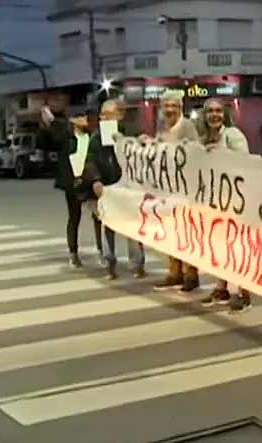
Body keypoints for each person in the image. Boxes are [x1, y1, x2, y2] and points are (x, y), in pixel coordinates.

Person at [197, 98, 252, 313]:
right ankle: (221, 288)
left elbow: (246, 163)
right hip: (213, 201)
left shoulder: (233, 135)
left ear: (225, 114)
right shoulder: (203, 139)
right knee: (219, 246)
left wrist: (220, 154)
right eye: (210, 111)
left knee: (237, 246)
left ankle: (244, 293)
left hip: (235, 201)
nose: (214, 115)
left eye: (218, 111)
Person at [151, 90, 201, 293]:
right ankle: (174, 272)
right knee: (170, 230)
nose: (169, 110)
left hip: (185, 188)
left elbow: (196, 151)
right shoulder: (162, 126)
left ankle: (191, 273)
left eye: (173, 106)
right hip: (167, 187)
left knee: (186, 231)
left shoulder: (187, 126)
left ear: (180, 108)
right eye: (166, 106)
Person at [90, 99, 146, 280]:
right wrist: (96, 180)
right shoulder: (96, 138)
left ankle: (137, 264)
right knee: (107, 225)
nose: (104, 118)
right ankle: (109, 264)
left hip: (128, 188)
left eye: (109, 115)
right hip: (107, 188)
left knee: (132, 226)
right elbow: (90, 161)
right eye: (102, 115)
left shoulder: (130, 133)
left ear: (120, 116)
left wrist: (140, 143)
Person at [53, 108, 103, 268]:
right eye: (80, 117)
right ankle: (73, 254)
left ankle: (101, 251)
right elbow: (49, 140)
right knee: (74, 217)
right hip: (73, 182)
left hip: (89, 180)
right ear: (73, 120)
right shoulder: (66, 138)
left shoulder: (91, 137)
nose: (84, 120)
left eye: (85, 117)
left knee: (98, 217)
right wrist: (52, 122)